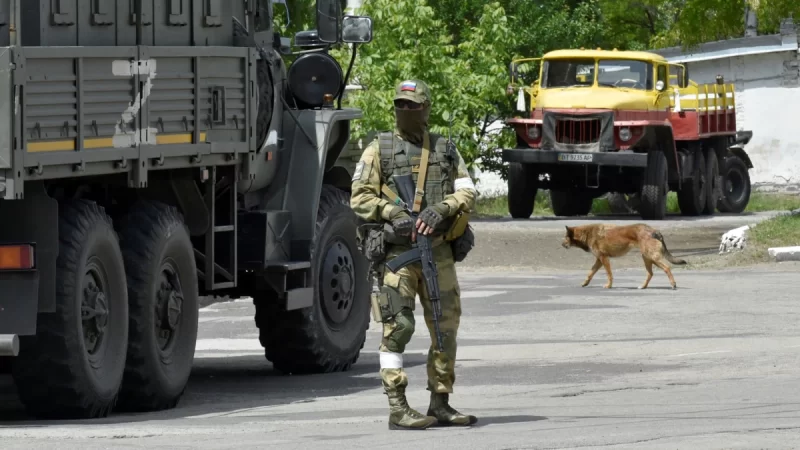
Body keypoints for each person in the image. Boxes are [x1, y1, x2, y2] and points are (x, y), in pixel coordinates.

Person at [350, 79, 478, 430]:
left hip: (438, 252)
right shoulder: (379, 150)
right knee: (398, 327)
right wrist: (392, 212)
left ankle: (440, 402)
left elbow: (467, 191)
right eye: (400, 106)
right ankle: (397, 406)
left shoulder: (445, 149)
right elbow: (359, 197)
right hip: (398, 255)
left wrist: (443, 207)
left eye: (412, 105)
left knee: (445, 328)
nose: (405, 111)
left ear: (426, 108)